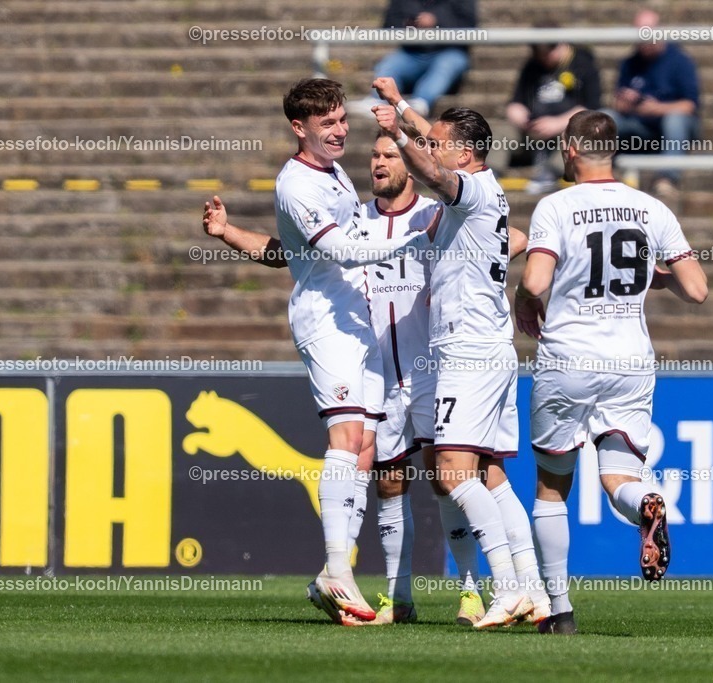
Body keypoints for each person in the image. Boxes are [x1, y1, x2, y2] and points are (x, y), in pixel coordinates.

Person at [200, 78, 435, 624]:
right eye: (326, 123)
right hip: (327, 321)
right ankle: (337, 567)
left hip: (359, 320)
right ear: (298, 128)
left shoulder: (331, 175)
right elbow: (342, 251)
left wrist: (229, 232)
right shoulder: (295, 185)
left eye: (341, 120)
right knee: (347, 436)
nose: (339, 131)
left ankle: (335, 577)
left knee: (367, 449)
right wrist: (419, 235)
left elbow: (288, 252)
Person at [515, 110, 708, 635]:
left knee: (553, 486)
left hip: (570, 357)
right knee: (620, 477)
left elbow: (535, 281)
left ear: (571, 150)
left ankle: (558, 610)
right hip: (630, 359)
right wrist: (654, 276)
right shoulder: (651, 208)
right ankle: (649, 501)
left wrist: (522, 298)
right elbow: (696, 288)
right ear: (614, 151)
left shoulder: (555, 206)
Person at [371, 76, 550, 629]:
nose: (429, 146)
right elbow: (438, 147)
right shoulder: (486, 188)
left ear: (465, 154)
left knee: (451, 474)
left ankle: (506, 590)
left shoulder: (467, 191)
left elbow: (430, 167)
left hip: (467, 351)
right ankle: (536, 590)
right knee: (490, 475)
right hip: (490, 347)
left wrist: (399, 137)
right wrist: (404, 107)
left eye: (439, 143)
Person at [341, 132, 529, 626]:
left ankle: (471, 590)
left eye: (389, 154)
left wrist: (478, 268)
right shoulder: (356, 221)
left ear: (409, 162)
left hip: (435, 364)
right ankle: (398, 598)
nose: (379, 162)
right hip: (380, 371)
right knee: (389, 482)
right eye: (375, 154)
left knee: (448, 478)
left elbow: (517, 238)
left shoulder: (436, 211)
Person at [602, 9, 700, 198]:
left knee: (675, 120)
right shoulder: (629, 63)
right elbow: (617, 103)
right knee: (605, 118)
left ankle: (667, 178)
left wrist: (658, 109)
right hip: (638, 123)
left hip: (673, 125)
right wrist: (627, 103)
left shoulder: (680, 61)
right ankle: (601, 174)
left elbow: (690, 105)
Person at [498, 37, 601, 194]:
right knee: (501, 130)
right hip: (532, 131)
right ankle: (492, 173)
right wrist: (520, 115)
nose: (543, 59)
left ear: (560, 45)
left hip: (567, 130)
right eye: (539, 54)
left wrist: (558, 123)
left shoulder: (583, 64)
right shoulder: (532, 66)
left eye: (547, 53)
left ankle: (551, 173)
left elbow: (592, 108)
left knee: (582, 133)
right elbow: (515, 103)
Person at [349, 0, 477, 117]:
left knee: (446, 66)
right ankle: (378, 102)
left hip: (448, 51)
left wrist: (437, 21)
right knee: (389, 64)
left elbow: (469, 25)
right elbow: (389, 23)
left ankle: (420, 102)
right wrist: (409, 23)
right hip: (411, 52)